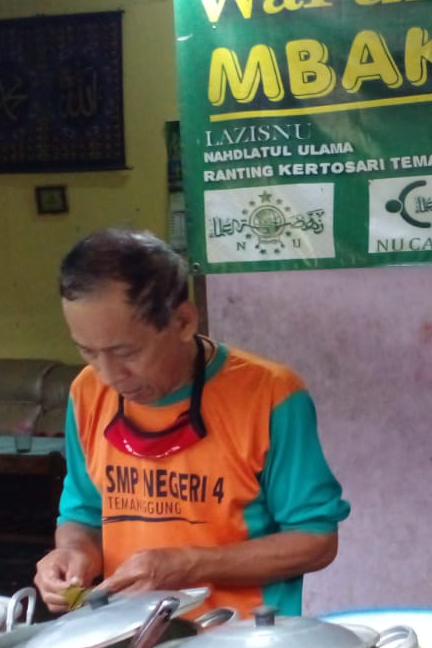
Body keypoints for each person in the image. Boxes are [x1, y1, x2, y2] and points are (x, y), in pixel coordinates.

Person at [34, 228, 349, 618]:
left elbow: (316, 540)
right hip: (128, 641)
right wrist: (72, 554)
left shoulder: (270, 395)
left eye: (125, 352)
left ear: (183, 320)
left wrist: (192, 564)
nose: (109, 374)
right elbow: (83, 515)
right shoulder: (86, 393)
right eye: (88, 352)